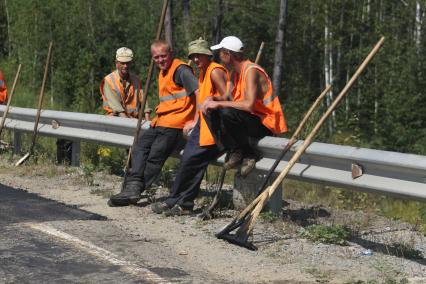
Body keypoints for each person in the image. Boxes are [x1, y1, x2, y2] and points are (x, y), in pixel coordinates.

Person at [108, 40, 199, 206]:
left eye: (163, 56)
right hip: (161, 122)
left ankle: (135, 191)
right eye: (156, 57)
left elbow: (200, 93)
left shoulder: (181, 70)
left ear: (171, 54)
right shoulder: (163, 71)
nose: (160, 60)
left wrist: (195, 120)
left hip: (176, 125)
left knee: (155, 156)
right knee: (140, 146)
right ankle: (132, 185)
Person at [151, 38, 228, 215]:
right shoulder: (203, 72)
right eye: (193, 56)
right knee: (188, 160)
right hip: (203, 124)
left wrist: (214, 101)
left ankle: (181, 203)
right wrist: (195, 120)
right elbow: (200, 102)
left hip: (216, 127)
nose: (195, 59)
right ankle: (178, 202)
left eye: (198, 55)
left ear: (207, 54)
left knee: (192, 160)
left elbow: (229, 99)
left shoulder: (215, 71)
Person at [100, 47, 151, 120]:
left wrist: (147, 117)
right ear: (116, 63)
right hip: (114, 120)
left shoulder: (136, 80)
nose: (125, 66)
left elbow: (143, 100)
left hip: (133, 120)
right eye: (122, 63)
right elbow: (119, 110)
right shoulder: (109, 81)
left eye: (128, 63)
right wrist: (129, 125)